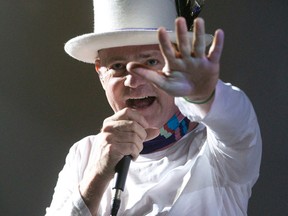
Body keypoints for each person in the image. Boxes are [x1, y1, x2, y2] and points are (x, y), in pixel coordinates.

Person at [46, 0, 262, 215]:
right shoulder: (84, 155)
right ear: (100, 73)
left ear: (178, 64)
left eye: (150, 62)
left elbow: (239, 123)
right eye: (118, 66)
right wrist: (98, 174)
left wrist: (203, 94)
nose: (134, 81)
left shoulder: (219, 150)